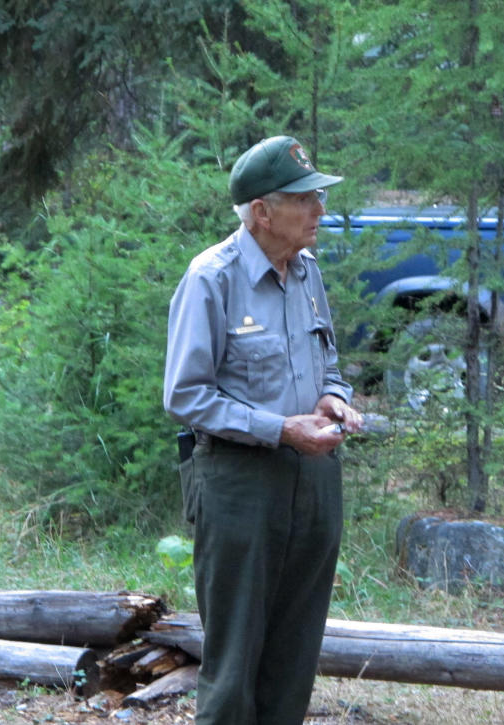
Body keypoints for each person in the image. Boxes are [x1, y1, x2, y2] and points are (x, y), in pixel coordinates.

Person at [163, 135, 363, 725]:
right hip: (240, 486)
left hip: (315, 481)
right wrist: (280, 429)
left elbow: (328, 361)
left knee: (294, 659)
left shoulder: (306, 272)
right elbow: (185, 395)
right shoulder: (211, 278)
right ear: (262, 212)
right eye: (306, 199)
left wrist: (334, 396)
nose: (319, 211)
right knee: (233, 668)